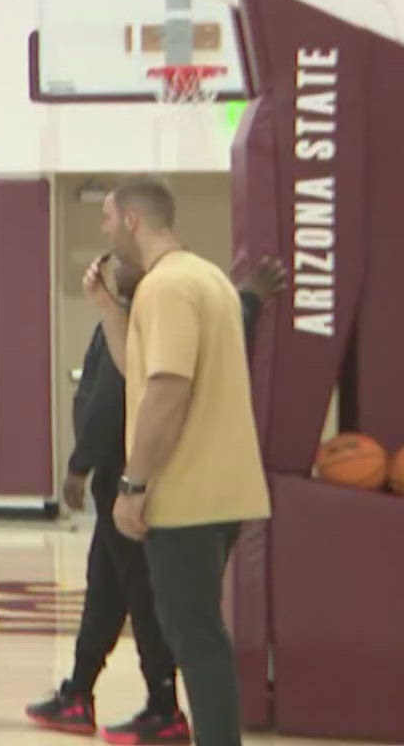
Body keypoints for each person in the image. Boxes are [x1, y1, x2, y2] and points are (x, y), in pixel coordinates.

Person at [26, 250, 284, 743]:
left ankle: (163, 706)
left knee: (153, 604)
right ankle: (78, 692)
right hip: (130, 486)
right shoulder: (175, 311)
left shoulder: (141, 323)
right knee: (105, 592)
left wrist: (80, 466)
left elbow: (113, 402)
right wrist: (247, 299)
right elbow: (229, 333)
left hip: (139, 484)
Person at [103, 177, 271, 746]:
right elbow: (140, 369)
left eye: (106, 220)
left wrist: (133, 485)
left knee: (195, 637)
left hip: (186, 494)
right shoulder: (207, 278)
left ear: (131, 221)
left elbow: (168, 389)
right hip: (222, 491)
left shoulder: (166, 288)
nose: (104, 233)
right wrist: (106, 305)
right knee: (197, 633)